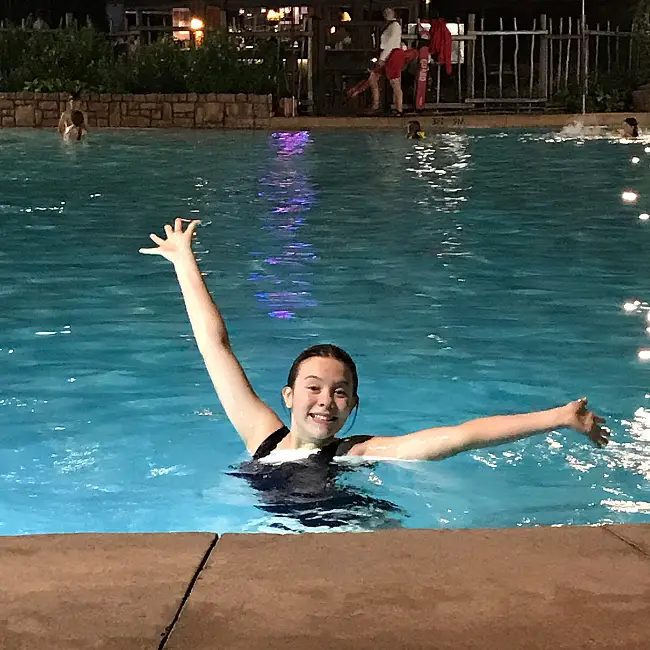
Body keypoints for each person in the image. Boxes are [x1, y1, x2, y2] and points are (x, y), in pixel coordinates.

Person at [140, 218, 610, 465]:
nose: (326, 400)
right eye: (314, 387)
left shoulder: (356, 454)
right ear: (288, 395)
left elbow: (460, 437)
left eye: (339, 391)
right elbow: (215, 347)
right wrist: (183, 260)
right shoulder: (261, 437)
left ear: (353, 405)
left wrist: (558, 417)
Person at [368, 8, 407, 116]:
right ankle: (376, 105)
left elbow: (390, 43)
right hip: (388, 54)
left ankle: (399, 109)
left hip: (392, 55)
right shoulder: (390, 26)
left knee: (395, 82)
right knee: (374, 77)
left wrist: (382, 58)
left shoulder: (395, 26)